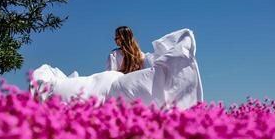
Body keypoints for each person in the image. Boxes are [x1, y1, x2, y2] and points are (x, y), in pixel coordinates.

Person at [30, 27, 203, 109]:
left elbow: (109, 72)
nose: (115, 40)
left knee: (90, 89)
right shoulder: (142, 54)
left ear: (122, 39)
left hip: (112, 80)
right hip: (131, 85)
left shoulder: (114, 54)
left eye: (116, 38)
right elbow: (149, 69)